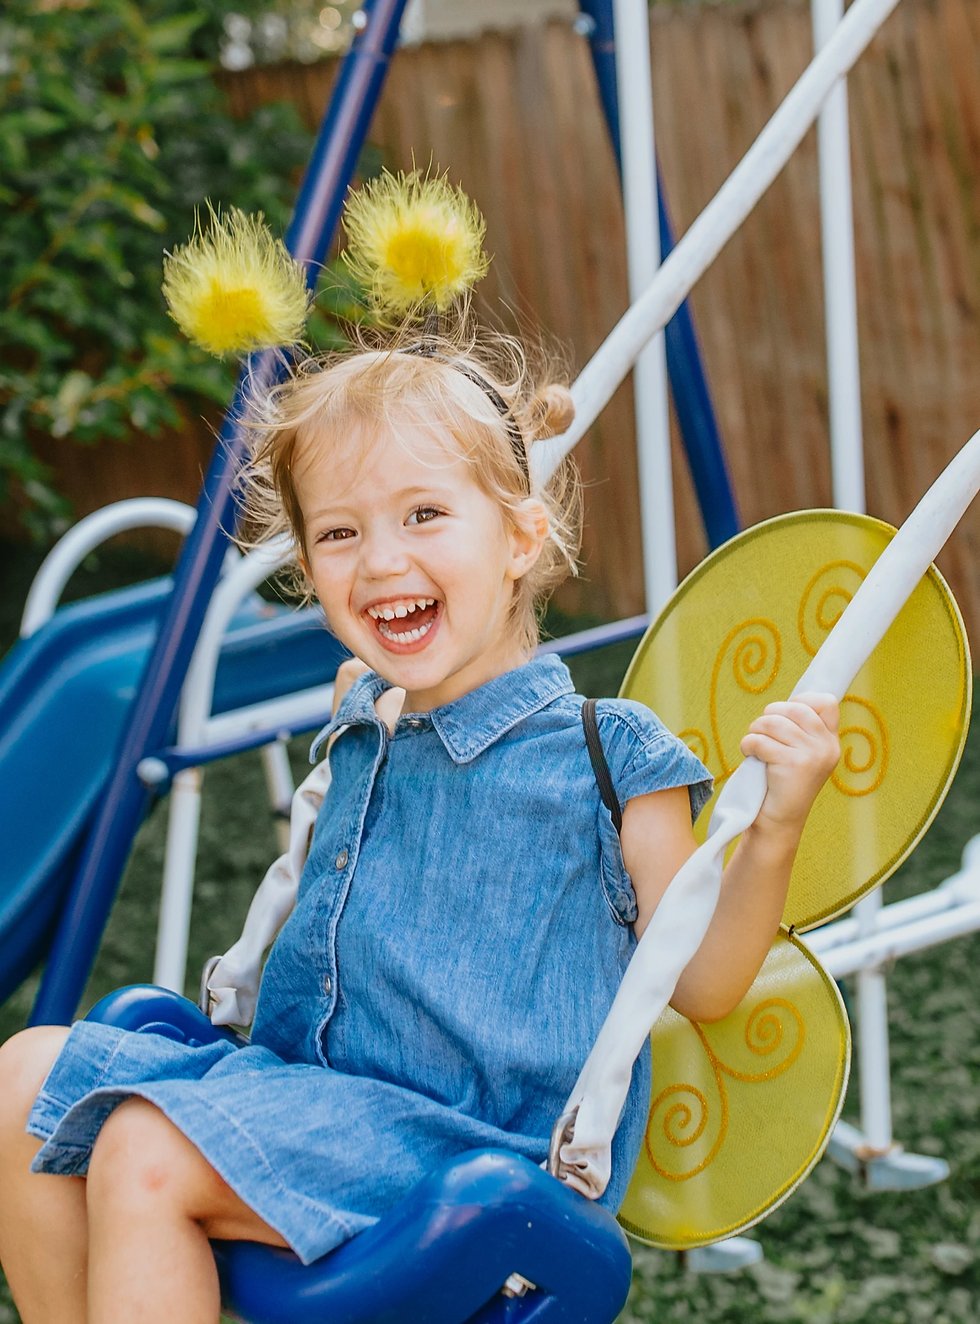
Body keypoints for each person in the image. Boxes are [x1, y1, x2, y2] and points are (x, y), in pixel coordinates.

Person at [0, 173, 840, 1324]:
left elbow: (699, 982)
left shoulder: (609, 755)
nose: (379, 559)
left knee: (140, 1146)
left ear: (518, 538)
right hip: (308, 1099)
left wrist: (776, 822)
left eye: (422, 515)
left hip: (459, 1149)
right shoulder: (366, 716)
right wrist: (371, 695)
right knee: (18, 1081)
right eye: (338, 533)